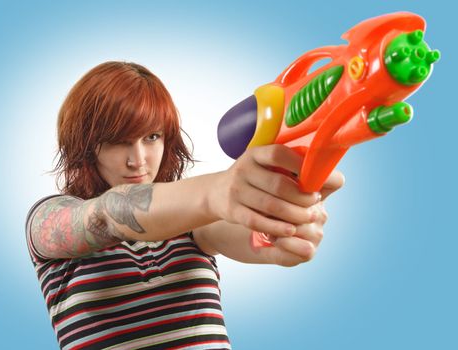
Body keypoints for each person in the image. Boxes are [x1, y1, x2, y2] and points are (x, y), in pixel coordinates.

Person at [25, 61, 344, 350]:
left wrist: (283, 219)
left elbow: (242, 231)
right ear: (84, 145)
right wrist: (216, 192)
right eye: (117, 141)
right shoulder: (49, 219)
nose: (137, 160)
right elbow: (105, 214)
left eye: (151, 137)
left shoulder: (195, 218)